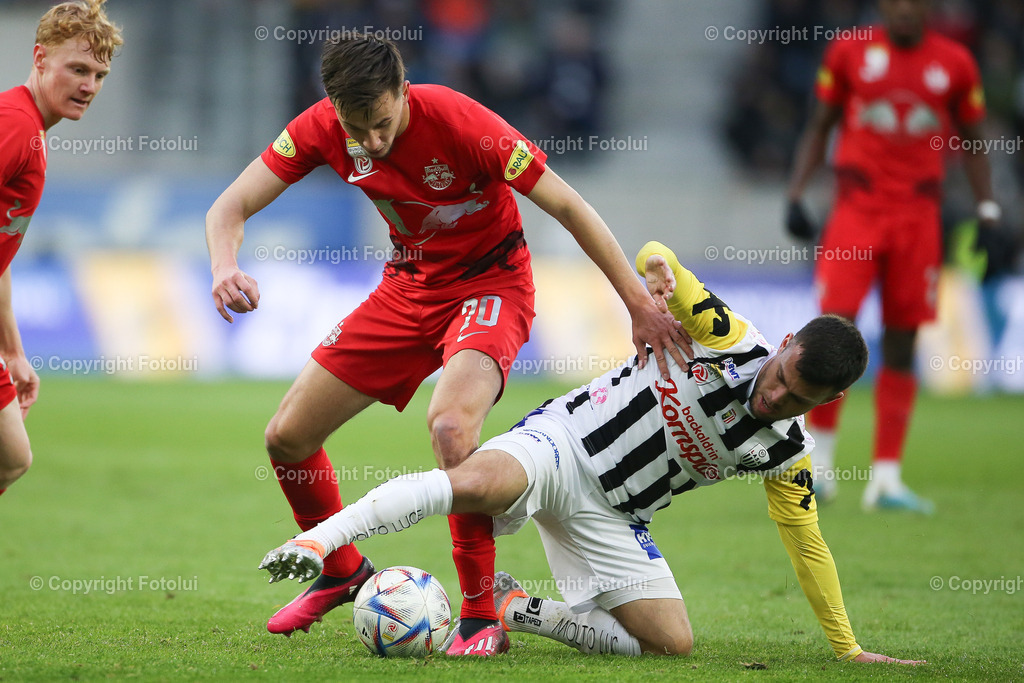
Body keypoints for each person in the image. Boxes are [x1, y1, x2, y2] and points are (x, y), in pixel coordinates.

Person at [205, 34, 686, 654]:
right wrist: (224, 266)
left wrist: (636, 302)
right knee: (287, 436)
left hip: (491, 286)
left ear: (404, 92)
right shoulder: (320, 127)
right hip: (406, 288)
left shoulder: (464, 125)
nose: (371, 141)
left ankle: (481, 615)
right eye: (356, 129)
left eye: (382, 123)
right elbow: (230, 206)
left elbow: (568, 205)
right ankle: (342, 570)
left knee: (452, 428)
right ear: (333, 109)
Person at [258, 241, 924, 664]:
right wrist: (657, 272)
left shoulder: (787, 453)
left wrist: (848, 647)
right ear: (783, 344)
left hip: (617, 518)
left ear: (830, 400)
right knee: (471, 482)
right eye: (780, 376)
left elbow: (809, 547)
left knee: (670, 644)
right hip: (564, 445)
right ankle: (324, 540)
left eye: (797, 398)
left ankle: (516, 608)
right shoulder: (726, 335)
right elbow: (661, 257)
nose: (775, 396)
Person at [785, 0, 1003, 512]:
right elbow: (820, 124)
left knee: (903, 338)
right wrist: (796, 194)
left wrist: (988, 210)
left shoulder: (955, 62)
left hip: (918, 216)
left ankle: (885, 479)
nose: (904, 8)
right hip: (856, 211)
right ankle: (821, 468)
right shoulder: (849, 52)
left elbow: (974, 139)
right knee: (833, 329)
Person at [0, 0, 122, 497]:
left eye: (99, 75)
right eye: (77, 69)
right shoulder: (15, 124)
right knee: (10, 457)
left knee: (10, 457)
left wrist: (12, 349)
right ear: (40, 58)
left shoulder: (29, 127)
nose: (89, 85)